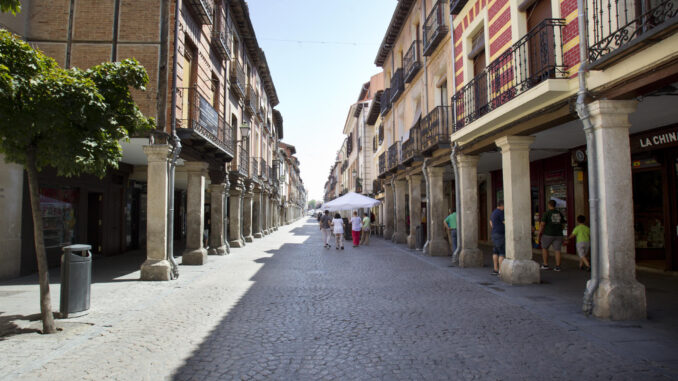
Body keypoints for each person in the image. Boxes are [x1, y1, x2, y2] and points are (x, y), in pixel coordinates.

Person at [538, 199, 566, 271]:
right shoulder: (559, 213)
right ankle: (557, 266)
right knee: (557, 250)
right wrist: (559, 230)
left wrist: (539, 233)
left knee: (544, 248)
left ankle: (545, 264)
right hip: (558, 234)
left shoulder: (547, 213)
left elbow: (542, 224)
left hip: (548, 233)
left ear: (549, 205)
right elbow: (563, 224)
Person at [490, 201, 505, 275]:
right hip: (500, 234)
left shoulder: (494, 212)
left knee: (495, 252)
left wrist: (494, 228)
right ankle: (501, 271)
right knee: (502, 252)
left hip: (494, 233)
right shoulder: (500, 212)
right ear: (502, 206)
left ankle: (495, 269)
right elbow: (505, 221)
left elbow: (490, 222)